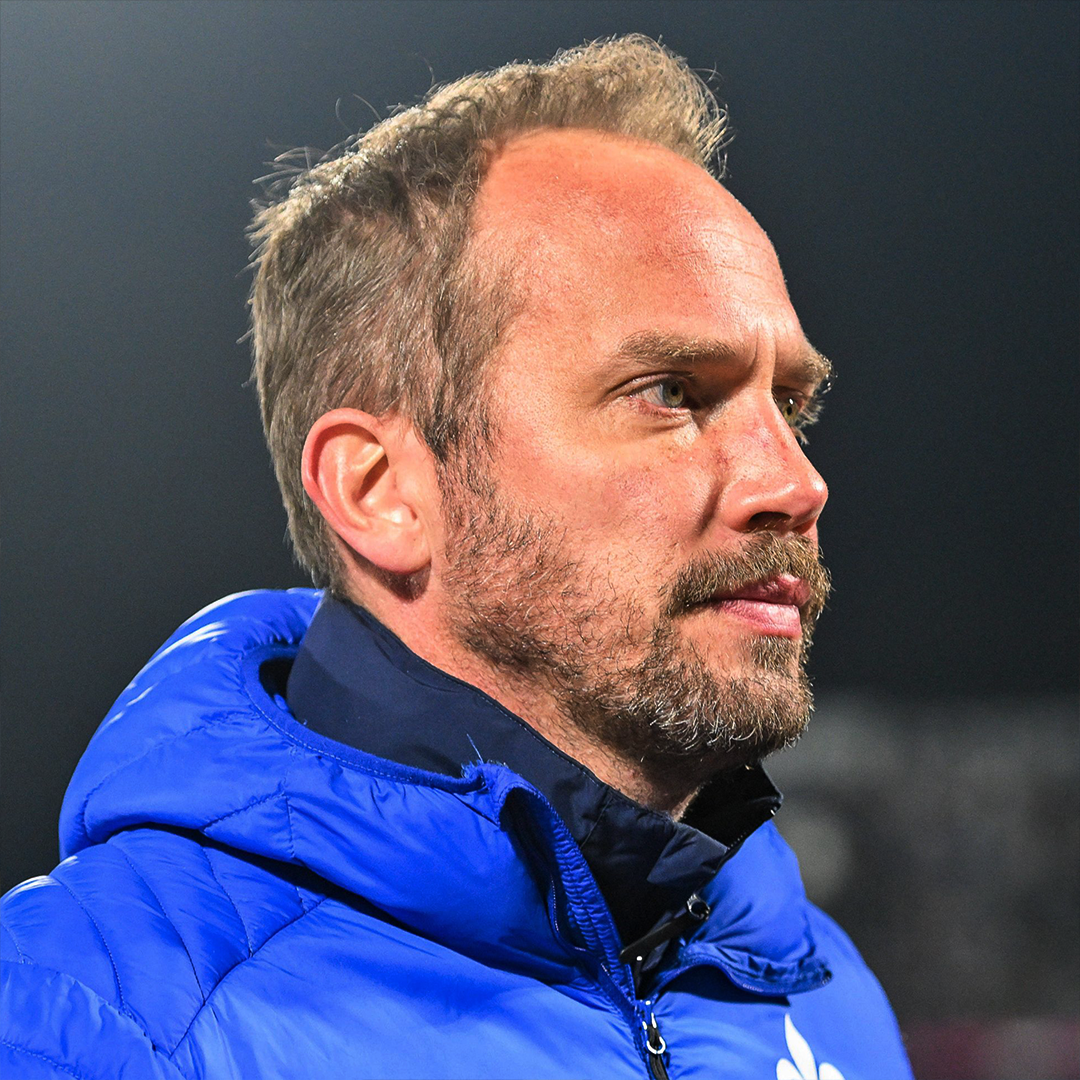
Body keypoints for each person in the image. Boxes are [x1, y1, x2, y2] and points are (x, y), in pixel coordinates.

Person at [1, 35, 912, 1080]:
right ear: (380, 491)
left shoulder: (819, 987)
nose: (796, 482)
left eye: (790, 403)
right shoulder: (79, 1020)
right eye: (672, 393)